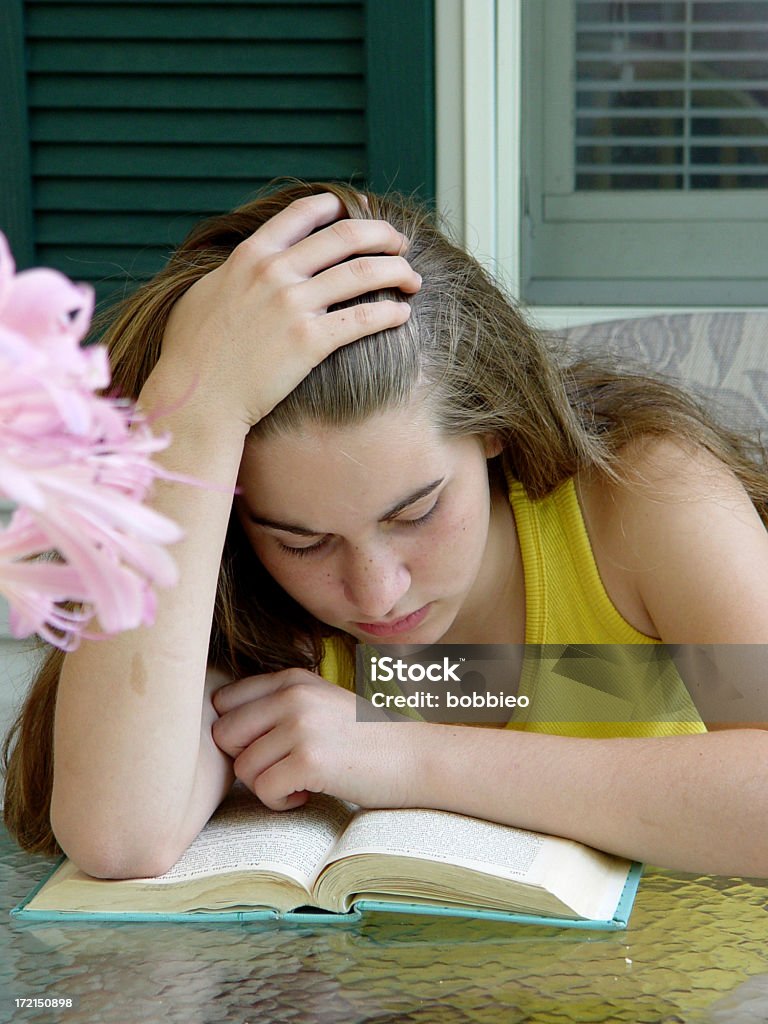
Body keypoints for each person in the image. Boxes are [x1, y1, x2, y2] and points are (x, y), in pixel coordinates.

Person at [4, 181, 768, 880]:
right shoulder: (258, 612)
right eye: (300, 541)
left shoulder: (637, 497)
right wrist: (191, 414)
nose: (376, 591)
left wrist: (400, 754)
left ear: (496, 422)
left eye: (417, 513)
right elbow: (119, 833)